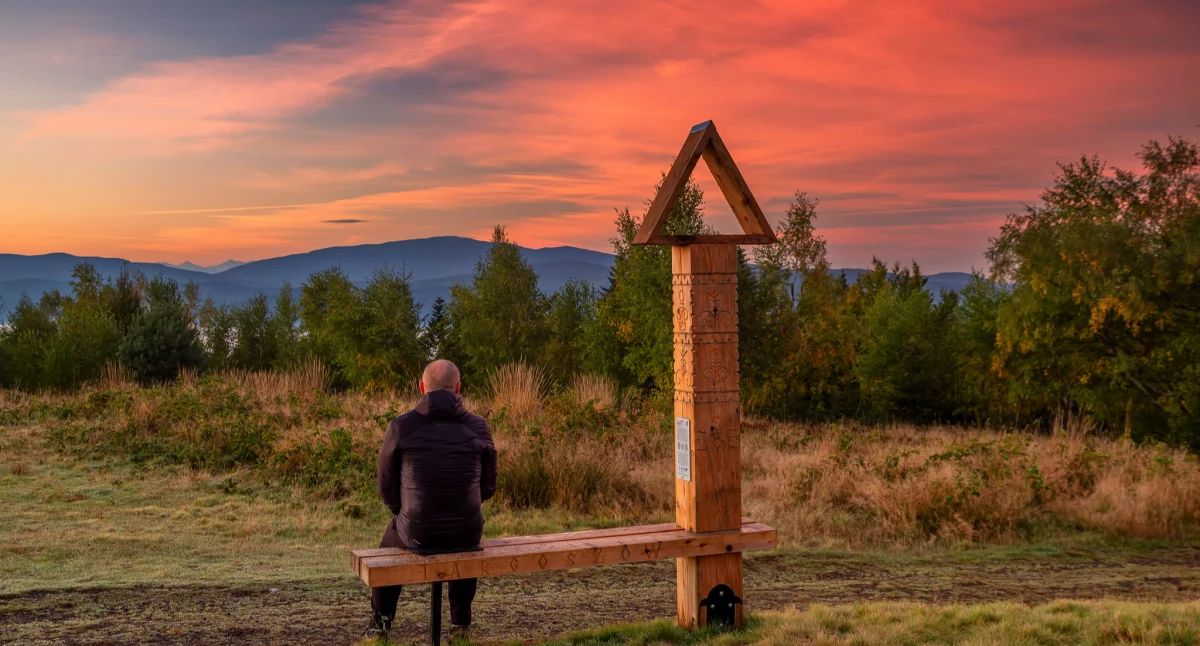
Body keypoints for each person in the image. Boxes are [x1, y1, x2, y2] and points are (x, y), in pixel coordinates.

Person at [366, 359, 498, 641]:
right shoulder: (479, 425)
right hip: (466, 529)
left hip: (416, 531)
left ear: (421, 387)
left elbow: (385, 486)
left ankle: (380, 624)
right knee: (466, 538)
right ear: (459, 389)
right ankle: (460, 625)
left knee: (389, 546)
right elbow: (488, 486)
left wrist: (403, 513)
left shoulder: (401, 426)